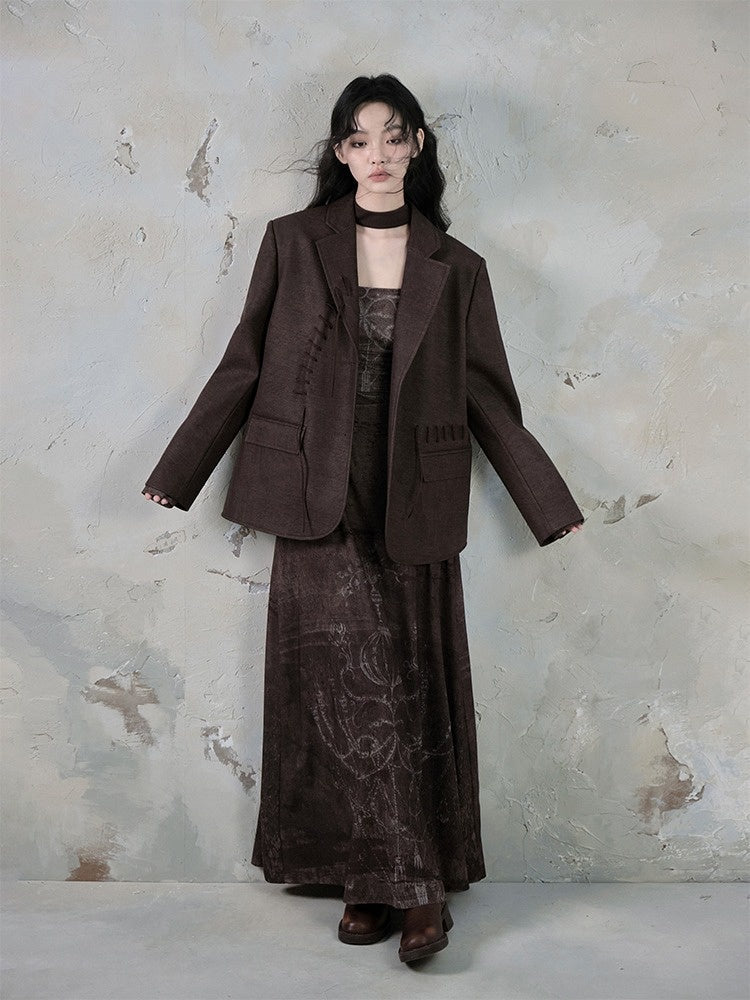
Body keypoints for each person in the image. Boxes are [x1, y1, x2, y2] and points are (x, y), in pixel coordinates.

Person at [143, 73, 583, 964]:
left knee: (403, 683)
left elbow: (487, 396)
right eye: (357, 139)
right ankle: (399, 887)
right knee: (343, 686)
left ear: (417, 145)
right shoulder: (293, 242)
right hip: (312, 483)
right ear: (340, 154)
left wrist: (546, 501)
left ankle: (384, 884)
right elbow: (243, 363)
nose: (376, 154)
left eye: (392, 136)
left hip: (414, 489)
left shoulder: (459, 267)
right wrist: (180, 470)